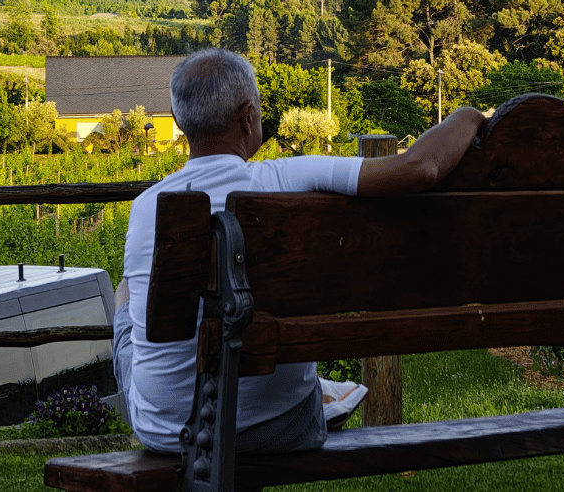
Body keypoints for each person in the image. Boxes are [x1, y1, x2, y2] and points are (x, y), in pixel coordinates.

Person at [113, 48, 486, 454]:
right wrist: (471, 116)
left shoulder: (146, 208)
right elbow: (420, 168)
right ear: (247, 117)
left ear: (178, 118)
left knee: (125, 293)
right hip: (283, 424)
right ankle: (321, 393)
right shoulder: (291, 178)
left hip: (169, 433)